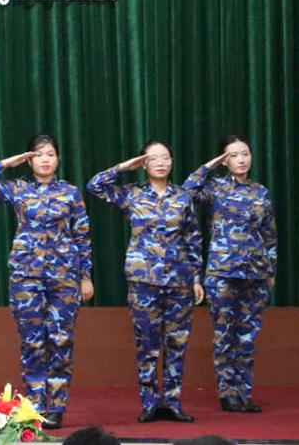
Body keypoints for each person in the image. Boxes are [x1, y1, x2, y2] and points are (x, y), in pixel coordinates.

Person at [0, 133, 93, 429]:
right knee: (32, 342)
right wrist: (8, 163)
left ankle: (57, 407)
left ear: (58, 158)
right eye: (38, 154)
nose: (45, 159)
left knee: (61, 341)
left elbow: (82, 234)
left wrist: (86, 276)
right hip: (26, 276)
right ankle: (35, 406)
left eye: (50, 154)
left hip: (64, 277)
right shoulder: (18, 188)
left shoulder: (70, 192)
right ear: (29, 160)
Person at [87, 141, 202, 424]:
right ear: (143, 163)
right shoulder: (132, 195)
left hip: (179, 280)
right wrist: (123, 167)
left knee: (177, 344)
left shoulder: (183, 197)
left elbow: (193, 238)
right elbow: (94, 186)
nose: (161, 163)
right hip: (143, 280)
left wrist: (196, 278)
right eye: (153, 158)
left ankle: (172, 402)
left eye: (166, 158)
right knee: (147, 344)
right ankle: (150, 403)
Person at [183, 134, 277, 414]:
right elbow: (186, 191)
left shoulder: (260, 192)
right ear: (225, 160)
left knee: (247, 337)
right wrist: (209, 166)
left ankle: (243, 393)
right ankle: (227, 393)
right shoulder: (215, 188)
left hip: (256, 274)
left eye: (245, 153)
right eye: (233, 155)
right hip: (223, 273)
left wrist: (270, 269)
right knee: (225, 335)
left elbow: (269, 233)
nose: (241, 159)